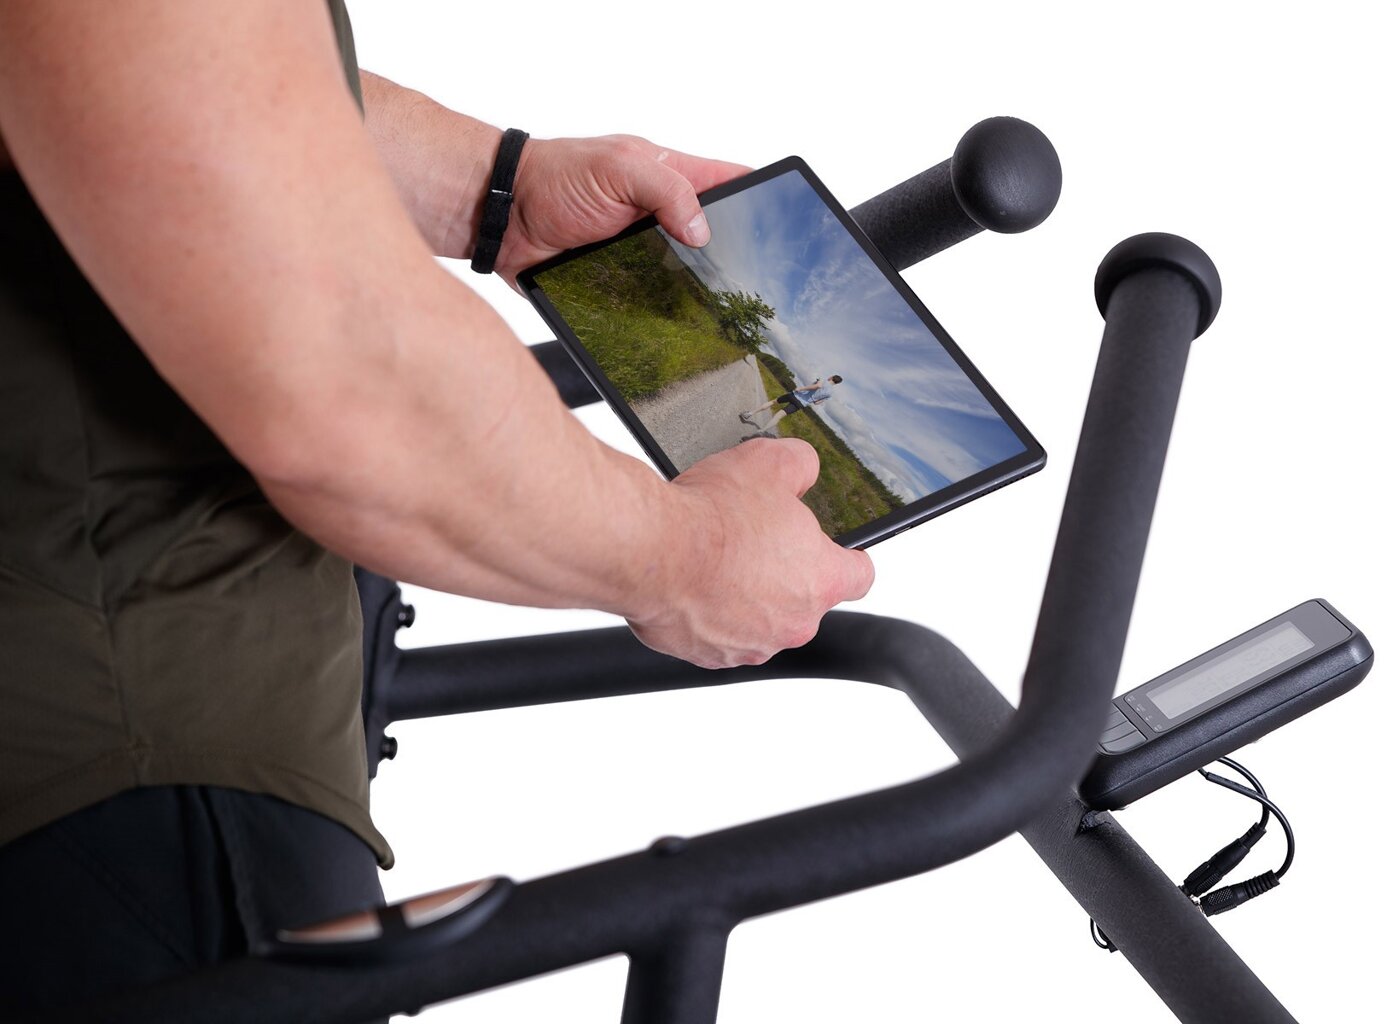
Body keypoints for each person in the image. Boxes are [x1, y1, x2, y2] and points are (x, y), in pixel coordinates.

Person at [0, 1, 873, 1015]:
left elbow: (162, 79)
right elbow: (346, 387)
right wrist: (689, 555)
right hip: (126, 759)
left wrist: (497, 191)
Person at [741, 375, 845, 430]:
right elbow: (817, 403)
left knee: (773, 402)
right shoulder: (830, 394)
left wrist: (801, 388)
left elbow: (818, 386)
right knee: (779, 416)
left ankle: (749, 413)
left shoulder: (823, 380)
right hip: (801, 404)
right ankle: (762, 430)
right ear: (837, 383)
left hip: (795, 395)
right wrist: (812, 398)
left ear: (832, 377)